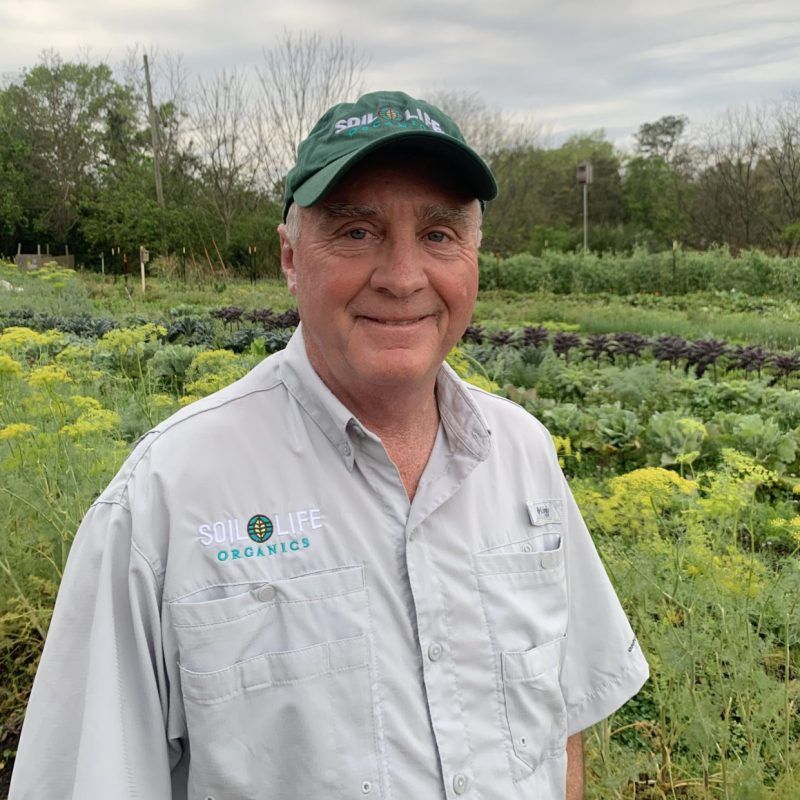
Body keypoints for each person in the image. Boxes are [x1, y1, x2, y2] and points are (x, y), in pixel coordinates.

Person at [10, 90, 648, 800]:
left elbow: (560, 724)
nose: (403, 278)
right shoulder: (168, 495)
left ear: (474, 257)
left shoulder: (522, 454)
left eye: (438, 235)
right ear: (289, 257)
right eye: (355, 233)